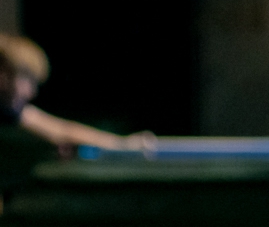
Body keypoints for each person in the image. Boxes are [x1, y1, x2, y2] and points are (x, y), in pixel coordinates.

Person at [0, 34, 157, 154]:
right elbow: (63, 132)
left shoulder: (9, 110)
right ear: (3, 73)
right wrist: (122, 145)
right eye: (27, 79)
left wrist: (122, 144)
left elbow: (62, 130)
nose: (31, 92)